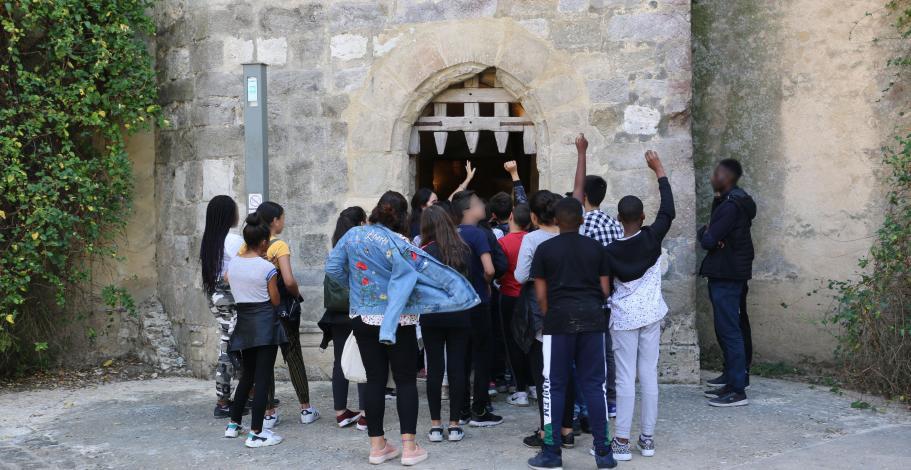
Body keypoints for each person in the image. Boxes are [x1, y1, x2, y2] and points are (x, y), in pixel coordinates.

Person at [325, 191, 479, 466]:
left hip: (363, 316)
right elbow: (423, 276)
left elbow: (333, 269)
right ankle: (409, 448)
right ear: (403, 216)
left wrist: (358, 289)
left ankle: (377, 446)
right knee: (405, 381)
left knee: (374, 381)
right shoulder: (402, 243)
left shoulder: (352, 236)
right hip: (400, 321)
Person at [527, 197, 616, 470]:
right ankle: (604, 453)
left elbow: (540, 294)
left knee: (553, 386)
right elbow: (605, 289)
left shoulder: (545, 249)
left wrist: (552, 313)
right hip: (592, 321)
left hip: (558, 323)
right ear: (581, 220)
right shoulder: (596, 248)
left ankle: (551, 453)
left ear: (555, 220)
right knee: (595, 386)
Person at [515, 134, 588, 450]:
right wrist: (581, 154)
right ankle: (568, 429)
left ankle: (549, 432)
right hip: (572, 311)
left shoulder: (532, 241)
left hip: (542, 315)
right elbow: (579, 194)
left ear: (533, 216)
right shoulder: (573, 231)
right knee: (567, 373)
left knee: (545, 377)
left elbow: (520, 276)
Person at [604, 150, 674, 461]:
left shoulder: (609, 251)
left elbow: (605, 288)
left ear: (619, 220)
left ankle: (620, 441)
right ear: (642, 217)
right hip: (651, 316)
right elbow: (669, 211)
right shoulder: (652, 238)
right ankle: (647, 439)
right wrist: (659, 169)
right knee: (648, 375)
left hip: (623, 318)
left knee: (623, 378)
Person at [244, 201, 319, 427]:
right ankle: (305, 409)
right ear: (275, 221)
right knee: (293, 355)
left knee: (264, 360)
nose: (283, 221)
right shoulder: (279, 246)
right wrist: (296, 295)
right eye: (282, 217)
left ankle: (269, 412)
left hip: (259, 309)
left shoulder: (247, 247)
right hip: (283, 307)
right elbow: (288, 280)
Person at [223, 213, 288, 448]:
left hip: (244, 324)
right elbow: (274, 298)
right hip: (265, 326)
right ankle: (257, 432)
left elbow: (228, 279)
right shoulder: (266, 267)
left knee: (247, 376)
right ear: (263, 243)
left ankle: (233, 424)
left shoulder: (234, 264)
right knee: (262, 379)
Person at [698, 159, 756, 407]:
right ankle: (734, 379)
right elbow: (714, 236)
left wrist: (706, 232)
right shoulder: (728, 201)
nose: (713, 176)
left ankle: (737, 390)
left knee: (730, 329)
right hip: (731, 272)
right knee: (734, 326)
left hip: (727, 274)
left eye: (717, 173)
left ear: (726, 177)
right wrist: (712, 233)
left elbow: (709, 239)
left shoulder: (731, 206)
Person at [418, 205, 473, 443]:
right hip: (459, 314)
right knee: (457, 368)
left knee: (435, 370)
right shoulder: (462, 250)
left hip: (432, 315)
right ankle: (455, 424)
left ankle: (435, 426)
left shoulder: (423, 251)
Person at [450, 189, 504, 427]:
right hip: (479, 302)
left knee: (460, 357)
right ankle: (479, 410)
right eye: (478, 203)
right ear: (467, 211)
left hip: (457, 305)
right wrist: (487, 282)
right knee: (482, 356)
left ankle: (460, 409)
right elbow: (490, 268)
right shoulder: (479, 234)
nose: (483, 205)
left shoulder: (451, 233)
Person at [318, 207, 369, 430]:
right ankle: (366, 415)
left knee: (340, 362)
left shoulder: (336, 246)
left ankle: (341, 413)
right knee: (366, 361)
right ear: (359, 223)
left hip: (337, 314)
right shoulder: (361, 247)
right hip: (358, 310)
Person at [579, 174, 623, 422]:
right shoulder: (614, 223)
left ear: (583, 197)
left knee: (590, 352)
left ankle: (593, 398)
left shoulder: (585, 224)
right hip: (611, 294)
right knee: (608, 350)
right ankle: (612, 399)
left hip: (591, 296)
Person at [199, 195, 245, 419]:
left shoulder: (211, 239)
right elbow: (243, 268)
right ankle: (223, 401)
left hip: (215, 296)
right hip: (228, 297)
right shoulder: (233, 240)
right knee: (228, 348)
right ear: (229, 214)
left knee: (228, 344)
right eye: (235, 210)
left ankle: (230, 397)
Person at [498, 203, 533, 408]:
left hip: (510, 295)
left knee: (513, 343)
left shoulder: (503, 242)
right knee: (533, 342)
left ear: (510, 216)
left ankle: (520, 390)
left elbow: (500, 270)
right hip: (530, 295)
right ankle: (533, 385)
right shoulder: (534, 240)